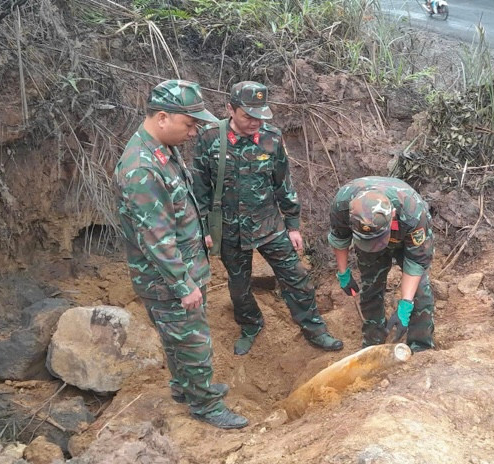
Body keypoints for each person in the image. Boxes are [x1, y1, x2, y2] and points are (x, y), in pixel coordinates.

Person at [115, 80, 248, 429]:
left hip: (183, 267)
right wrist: (183, 283)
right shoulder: (142, 169)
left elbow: (177, 205)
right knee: (193, 343)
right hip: (168, 280)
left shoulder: (161, 148)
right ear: (162, 117)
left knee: (177, 339)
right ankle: (205, 405)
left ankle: (185, 387)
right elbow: (156, 239)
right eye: (188, 124)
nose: (193, 133)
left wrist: (199, 235)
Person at [193, 81, 343, 356]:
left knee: (296, 277)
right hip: (229, 230)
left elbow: (283, 184)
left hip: (269, 225)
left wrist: (293, 225)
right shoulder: (210, 137)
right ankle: (251, 324)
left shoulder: (272, 137)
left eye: (260, 116)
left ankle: (315, 329)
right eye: (248, 116)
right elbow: (200, 187)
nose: (255, 122)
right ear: (230, 109)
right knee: (239, 287)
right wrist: (204, 228)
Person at [328, 176, 435, 353]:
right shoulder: (342, 204)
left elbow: (416, 262)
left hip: (404, 238)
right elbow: (340, 238)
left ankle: (420, 347)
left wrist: (405, 305)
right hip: (366, 242)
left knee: (420, 291)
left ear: (392, 214)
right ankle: (373, 342)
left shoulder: (413, 212)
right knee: (371, 287)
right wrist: (343, 273)